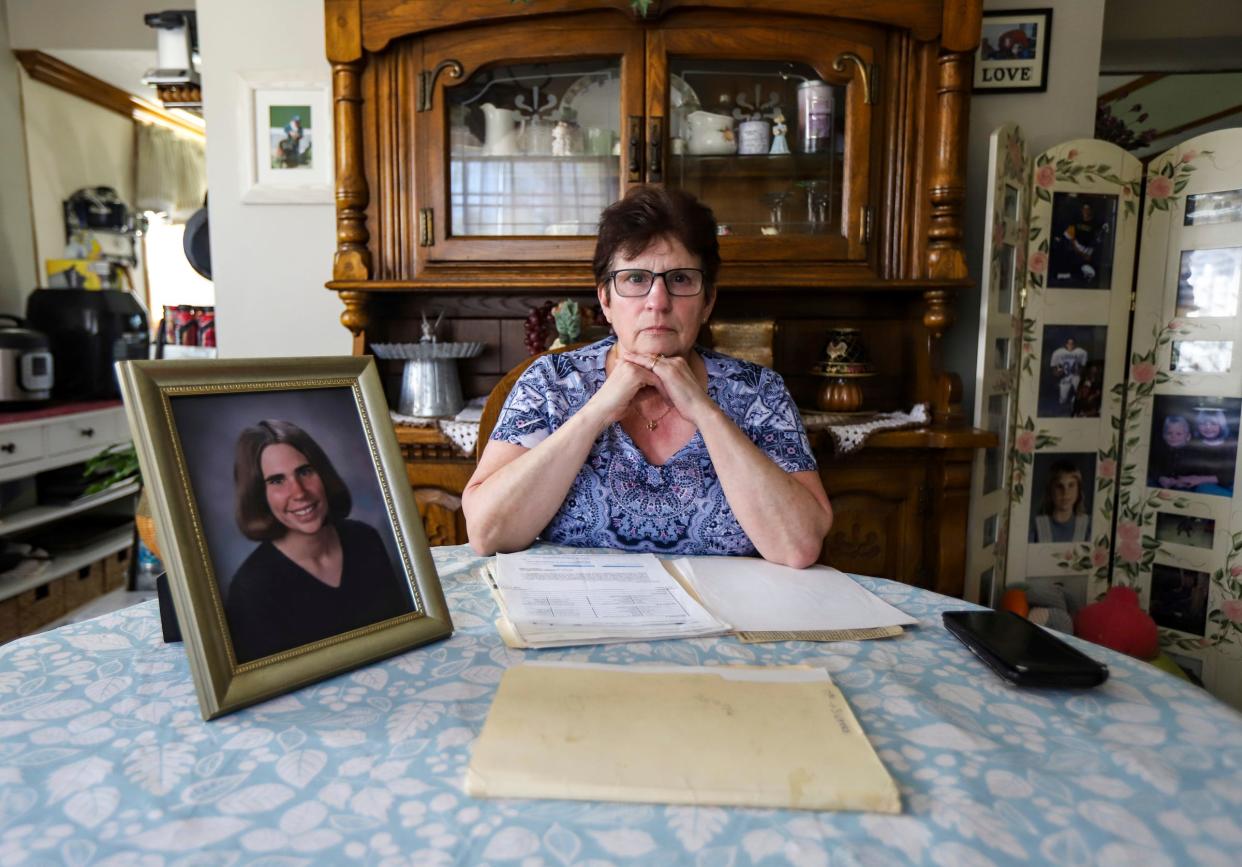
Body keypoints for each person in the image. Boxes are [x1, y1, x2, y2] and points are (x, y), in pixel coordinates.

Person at [463, 186, 833, 567]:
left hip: (725, 618)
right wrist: (598, 410)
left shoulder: (758, 392)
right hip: (581, 616)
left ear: (708, 302)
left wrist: (705, 411)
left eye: (682, 279)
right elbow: (488, 533)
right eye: (636, 279)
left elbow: (798, 546)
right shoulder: (550, 383)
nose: (658, 301)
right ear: (605, 300)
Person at [224, 420, 413, 663]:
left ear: (323, 474)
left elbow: (401, 635)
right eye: (277, 481)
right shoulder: (251, 588)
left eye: (304, 471)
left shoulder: (365, 540)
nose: (300, 492)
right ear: (259, 495)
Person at [1030, 461, 1090, 543]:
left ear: (1078, 490)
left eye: (1071, 485)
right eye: (1059, 486)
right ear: (1050, 490)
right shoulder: (1036, 526)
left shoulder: (1087, 525)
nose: (1065, 493)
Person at [1049, 337, 1088, 414]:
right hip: (1065, 376)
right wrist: (1058, 373)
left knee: (1080, 393)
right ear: (1066, 344)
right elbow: (1055, 367)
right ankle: (1063, 410)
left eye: (1072, 343)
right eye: (1069, 343)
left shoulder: (1081, 352)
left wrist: (1080, 372)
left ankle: (1077, 406)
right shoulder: (1058, 353)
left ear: (1075, 344)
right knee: (1063, 398)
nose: (1070, 345)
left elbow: (1083, 366)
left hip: (1076, 375)